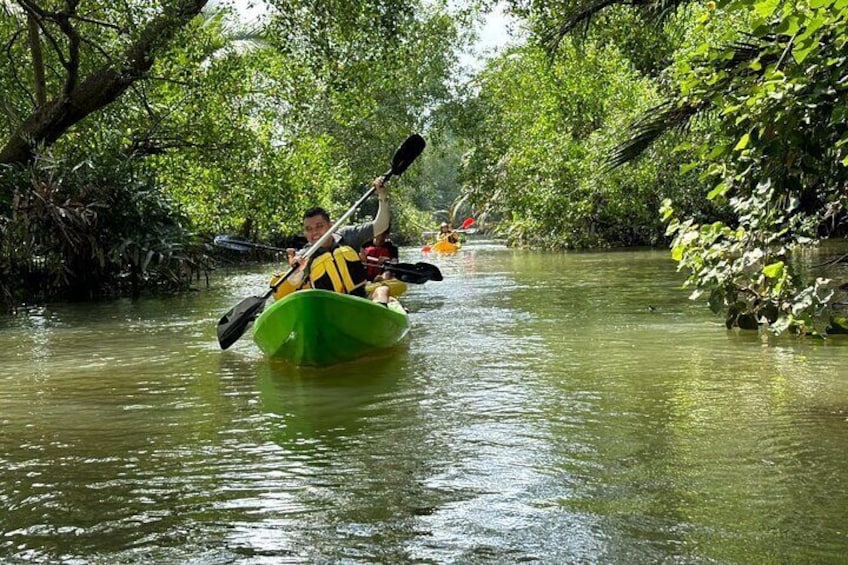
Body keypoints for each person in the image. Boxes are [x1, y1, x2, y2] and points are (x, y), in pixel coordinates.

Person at [269, 177, 392, 305]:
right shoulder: (305, 254)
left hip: (359, 300)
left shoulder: (348, 236)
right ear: (304, 233)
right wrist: (297, 269)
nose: (314, 232)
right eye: (308, 229)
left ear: (330, 225)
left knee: (383, 289)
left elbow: (381, 225)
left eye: (319, 226)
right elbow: (294, 281)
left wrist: (382, 195)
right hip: (329, 307)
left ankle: (377, 314)